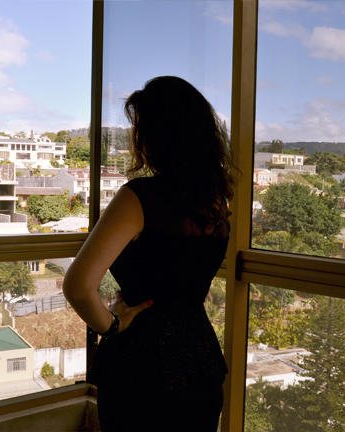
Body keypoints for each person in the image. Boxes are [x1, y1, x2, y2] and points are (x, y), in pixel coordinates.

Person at [63, 76, 235, 432]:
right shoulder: (215, 201)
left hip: (141, 370)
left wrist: (112, 325)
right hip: (200, 366)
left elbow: (78, 286)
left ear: (157, 134)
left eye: (138, 127)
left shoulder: (138, 198)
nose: (134, 137)